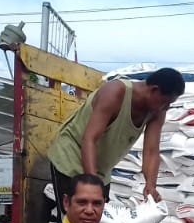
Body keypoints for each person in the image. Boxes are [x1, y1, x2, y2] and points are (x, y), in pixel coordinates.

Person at [47, 68, 184, 206]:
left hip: (100, 171)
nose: (166, 108)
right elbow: (89, 139)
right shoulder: (116, 92)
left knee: (95, 221)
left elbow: (151, 151)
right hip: (71, 158)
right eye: (166, 102)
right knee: (73, 220)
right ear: (154, 90)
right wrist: (93, 187)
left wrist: (150, 186)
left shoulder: (157, 111)